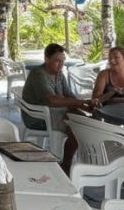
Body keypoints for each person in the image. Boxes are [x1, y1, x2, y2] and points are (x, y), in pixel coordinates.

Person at [21, 43, 92, 173]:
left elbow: (70, 96)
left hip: (54, 114)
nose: (61, 64)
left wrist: (87, 106)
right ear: (46, 59)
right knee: (76, 125)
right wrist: (81, 103)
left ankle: (69, 163)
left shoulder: (59, 74)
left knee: (83, 121)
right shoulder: (39, 74)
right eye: (57, 61)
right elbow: (52, 100)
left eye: (63, 61)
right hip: (37, 117)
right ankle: (66, 165)